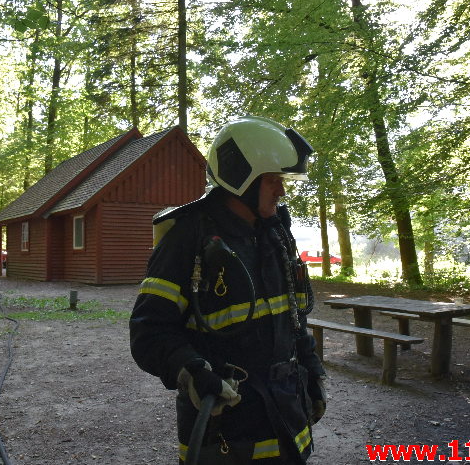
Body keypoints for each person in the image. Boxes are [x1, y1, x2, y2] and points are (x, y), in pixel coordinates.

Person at [130, 116, 327, 465]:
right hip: (225, 424)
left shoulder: (276, 234)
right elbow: (149, 331)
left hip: (287, 415)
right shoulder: (187, 238)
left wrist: (312, 372)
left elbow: (295, 317)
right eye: (272, 181)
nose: (281, 191)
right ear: (242, 177)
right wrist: (192, 372)